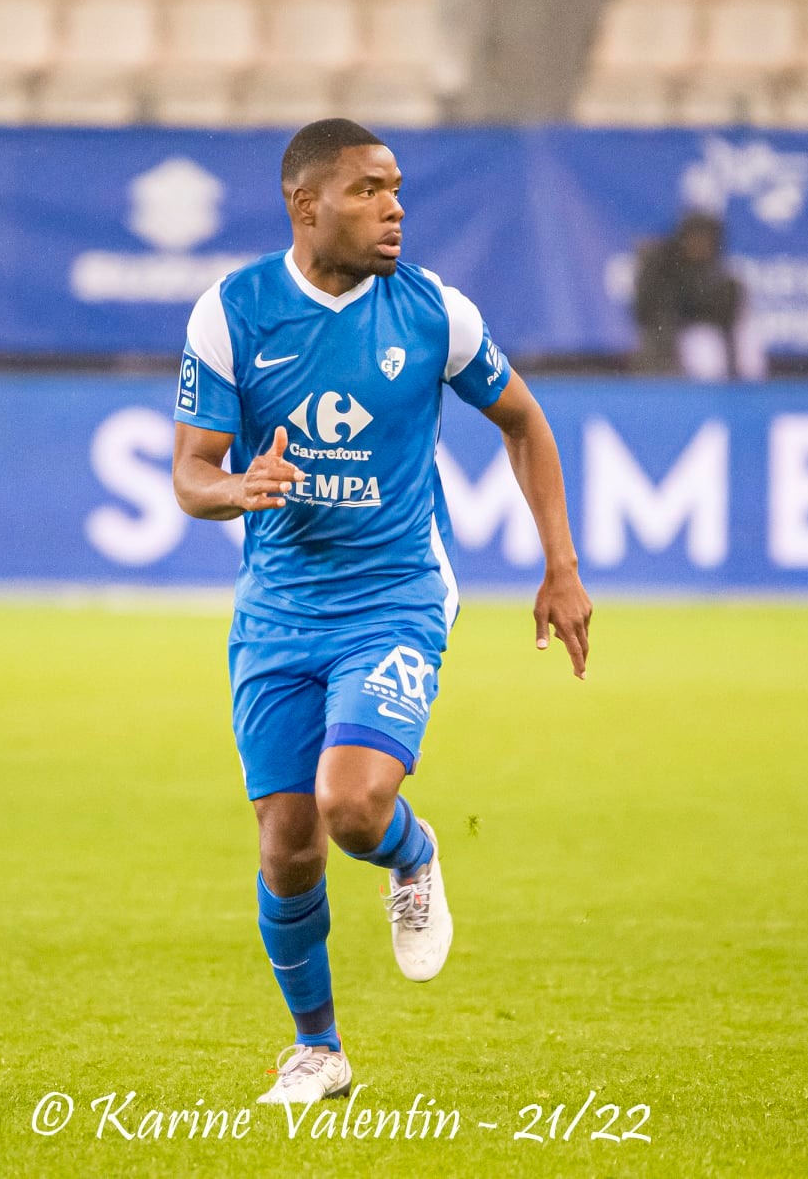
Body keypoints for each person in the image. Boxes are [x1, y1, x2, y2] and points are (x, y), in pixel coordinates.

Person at [171, 118, 592, 1105]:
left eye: (397, 188)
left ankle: (412, 849)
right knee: (287, 838)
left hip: (395, 597)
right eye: (368, 190)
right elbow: (191, 475)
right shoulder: (232, 313)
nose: (395, 208)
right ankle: (319, 1052)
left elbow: (524, 420)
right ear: (305, 205)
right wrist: (239, 488)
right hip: (277, 611)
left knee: (352, 805)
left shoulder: (432, 312)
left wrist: (560, 566)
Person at [633, 210, 767, 381]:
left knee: (739, 346)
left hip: (710, 335)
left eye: (707, 239)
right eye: (695, 238)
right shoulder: (663, 270)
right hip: (678, 340)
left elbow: (726, 317)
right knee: (703, 349)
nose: (700, 245)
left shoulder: (721, 278)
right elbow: (652, 315)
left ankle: (745, 399)